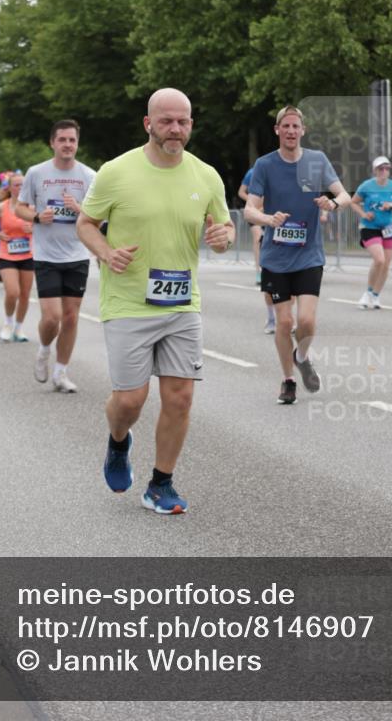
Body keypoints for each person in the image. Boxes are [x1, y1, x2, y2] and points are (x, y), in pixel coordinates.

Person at [77, 88, 235, 515]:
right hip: (128, 302)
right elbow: (87, 223)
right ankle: (117, 441)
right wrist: (105, 252)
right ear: (148, 124)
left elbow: (222, 228)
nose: (175, 129)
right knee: (130, 400)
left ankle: (160, 484)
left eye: (182, 121)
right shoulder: (116, 171)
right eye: (166, 121)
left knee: (180, 396)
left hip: (182, 304)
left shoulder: (206, 176)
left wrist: (224, 237)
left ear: (191, 125)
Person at [244, 105, 351, 404]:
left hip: (309, 255)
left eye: (296, 126)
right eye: (285, 126)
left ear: (303, 130)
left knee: (305, 321)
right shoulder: (265, 165)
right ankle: (288, 379)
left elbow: (343, 194)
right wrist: (268, 219)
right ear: (277, 130)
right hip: (276, 258)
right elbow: (250, 208)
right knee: (283, 323)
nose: (291, 131)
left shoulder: (317, 161)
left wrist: (332, 204)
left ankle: (301, 356)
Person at [16, 120, 95, 393]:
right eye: (62, 139)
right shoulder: (37, 173)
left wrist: (80, 209)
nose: (67, 145)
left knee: (71, 317)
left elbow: (99, 214)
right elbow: (20, 208)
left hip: (77, 254)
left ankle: (61, 372)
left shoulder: (89, 176)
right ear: (52, 142)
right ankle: (44, 349)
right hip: (47, 256)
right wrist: (37, 216)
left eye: (72, 140)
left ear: (77, 143)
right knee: (52, 317)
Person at [351, 156, 392, 309]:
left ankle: (376, 295)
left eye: (387, 168)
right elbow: (353, 202)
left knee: (386, 264)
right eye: (381, 168)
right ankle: (367, 293)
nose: (384, 171)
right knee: (379, 260)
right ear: (375, 170)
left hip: (388, 228)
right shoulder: (366, 186)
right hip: (369, 227)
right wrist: (363, 214)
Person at [0, 172, 34, 342]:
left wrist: (34, 229)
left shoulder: (32, 208)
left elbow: (44, 226)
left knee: (25, 294)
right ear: (9, 188)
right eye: (16, 185)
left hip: (28, 254)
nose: (20, 188)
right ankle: (8, 323)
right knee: (12, 292)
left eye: (23, 185)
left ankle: (19, 328)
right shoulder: (1, 207)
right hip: (7, 253)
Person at [239, 165, 277, 333]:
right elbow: (242, 192)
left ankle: (284, 318)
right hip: (255, 213)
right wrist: (253, 205)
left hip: (271, 215)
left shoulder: (278, 173)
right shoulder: (252, 172)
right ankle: (258, 270)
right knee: (257, 237)